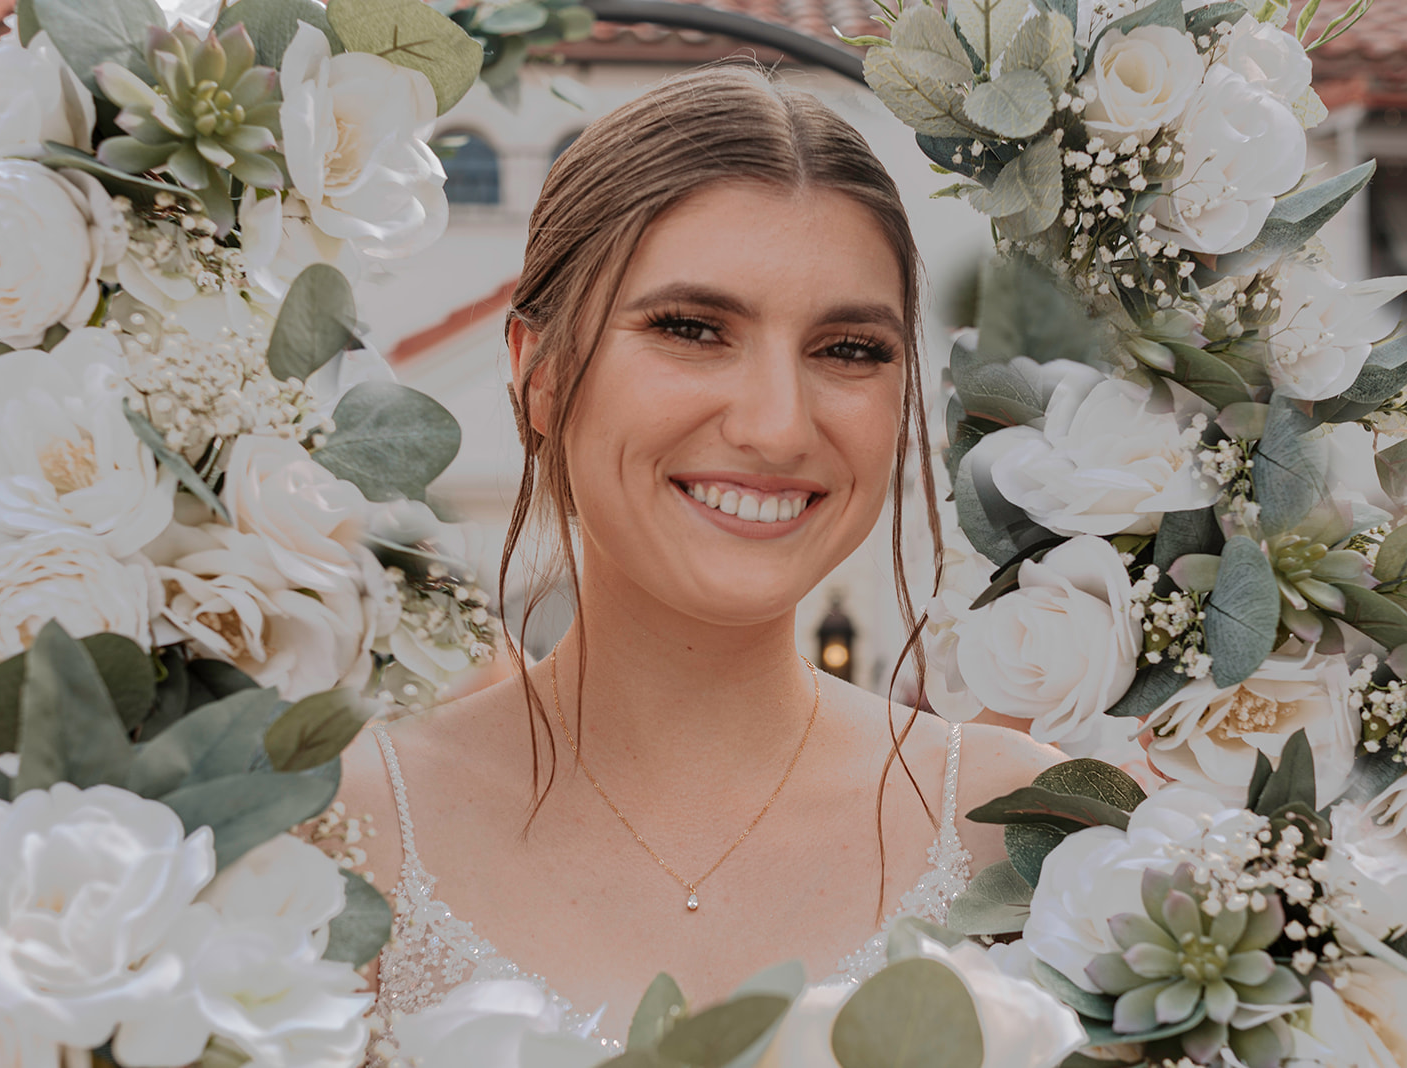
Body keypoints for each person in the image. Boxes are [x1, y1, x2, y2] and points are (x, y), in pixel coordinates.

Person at [335, 64, 1056, 1055]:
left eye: (848, 349)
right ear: (536, 374)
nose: (774, 426)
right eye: (690, 329)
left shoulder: (1023, 829)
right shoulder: (347, 827)